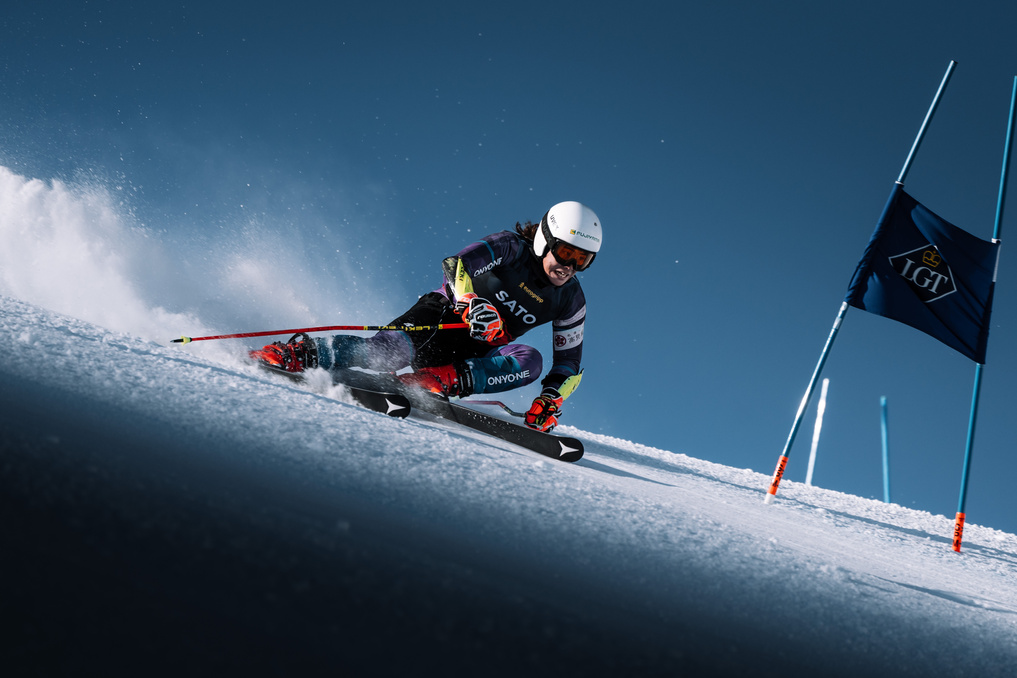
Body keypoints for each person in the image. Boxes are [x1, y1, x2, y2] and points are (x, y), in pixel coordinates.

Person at [250, 200, 602, 432]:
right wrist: (470, 301)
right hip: (441, 318)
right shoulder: (511, 248)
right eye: (566, 252)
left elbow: (568, 363)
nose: (569, 266)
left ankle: (434, 381)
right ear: (545, 240)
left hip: (472, 354)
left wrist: (551, 398)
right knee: (386, 354)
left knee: (531, 360)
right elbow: (457, 263)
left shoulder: (571, 300)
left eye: (582, 260)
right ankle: (299, 353)